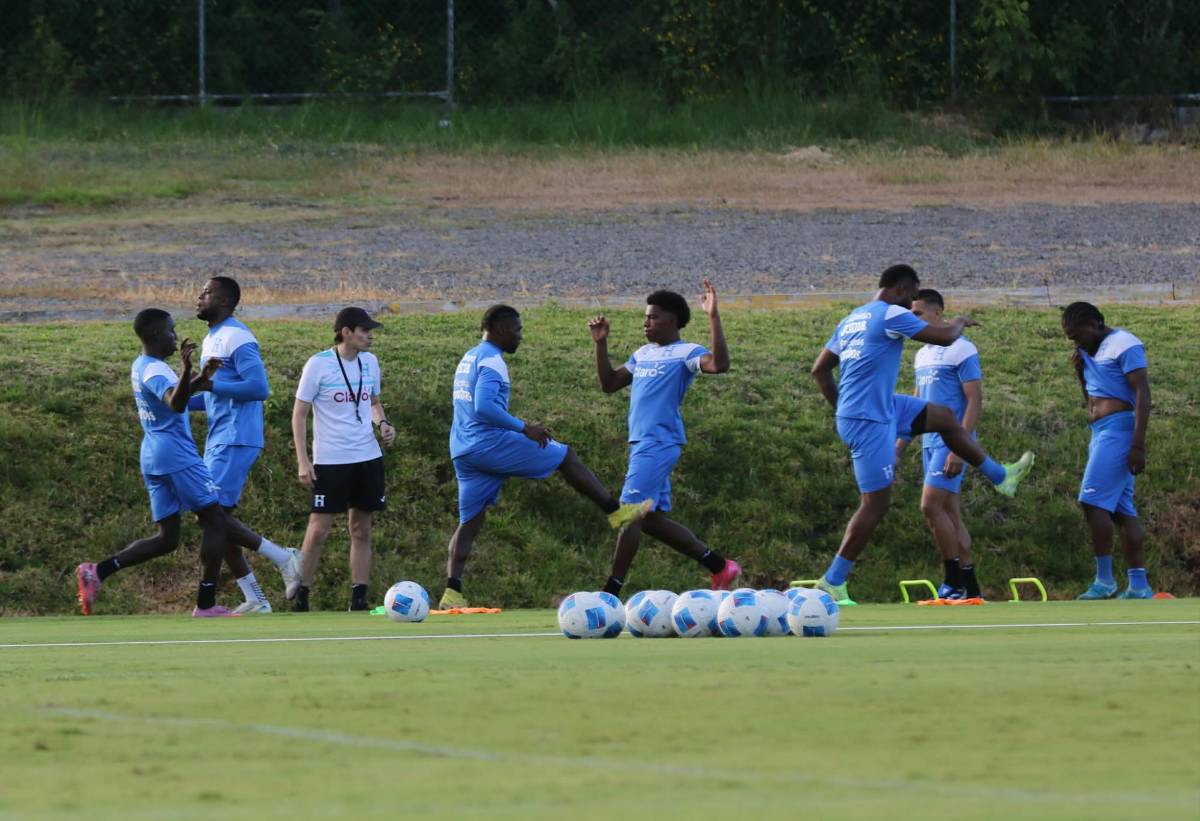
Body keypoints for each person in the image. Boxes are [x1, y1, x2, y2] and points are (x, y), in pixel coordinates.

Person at [809, 265, 1034, 606]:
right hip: (869, 420)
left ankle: (1001, 477)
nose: (912, 302)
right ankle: (833, 582)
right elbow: (944, 336)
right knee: (876, 505)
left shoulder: (852, 318)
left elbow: (820, 370)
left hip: (879, 408)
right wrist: (959, 321)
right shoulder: (889, 315)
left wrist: (843, 408)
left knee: (944, 417)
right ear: (901, 289)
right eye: (912, 295)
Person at [441, 304, 641, 610]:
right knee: (564, 455)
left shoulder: (470, 356)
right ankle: (616, 512)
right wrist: (525, 429)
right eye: (518, 330)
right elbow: (483, 407)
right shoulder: (493, 360)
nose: (520, 337)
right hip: (488, 444)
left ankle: (451, 591)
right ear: (502, 330)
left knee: (470, 522)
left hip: (463, 448)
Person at [75, 309, 236, 617]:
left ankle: (99, 571)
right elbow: (175, 403)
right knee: (215, 521)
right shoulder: (156, 371)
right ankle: (205, 604)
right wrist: (187, 367)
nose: (175, 336)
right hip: (176, 455)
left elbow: (179, 395)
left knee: (167, 539)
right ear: (154, 336)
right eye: (171, 331)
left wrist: (201, 378)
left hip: (153, 454)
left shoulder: (142, 365)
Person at [587, 279, 741, 596]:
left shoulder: (686, 352)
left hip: (659, 443)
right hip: (641, 443)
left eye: (652, 317)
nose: (646, 322)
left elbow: (720, 364)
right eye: (646, 317)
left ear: (672, 321)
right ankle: (720, 566)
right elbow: (609, 384)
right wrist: (600, 344)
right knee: (651, 520)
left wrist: (713, 316)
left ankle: (610, 592)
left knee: (629, 513)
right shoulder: (642, 354)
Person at [192, 276, 301, 614]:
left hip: (237, 436)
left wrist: (208, 389)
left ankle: (284, 558)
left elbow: (258, 387)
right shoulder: (212, 338)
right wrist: (177, 400)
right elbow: (214, 393)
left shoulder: (237, 337)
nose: (199, 296)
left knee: (210, 516)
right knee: (216, 520)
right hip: (220, 435)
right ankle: (255, 598)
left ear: (224, 301)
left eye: (207, 293)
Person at [291, 307, 396, 612]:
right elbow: (299, 415)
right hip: (331, 460)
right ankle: (301, 596)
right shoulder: (318, 364)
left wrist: (383, 424)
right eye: (365, 330)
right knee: (319, 529)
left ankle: (359, 600)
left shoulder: (370, 362)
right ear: (346, 332)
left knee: (361, 529)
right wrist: (303, 460)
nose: (370, 336)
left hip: (367, 457)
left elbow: (373, 402)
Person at [894, 288, 985, 602]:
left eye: (917, 313)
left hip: (951, 443)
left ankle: (953, 581)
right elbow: (917, 404)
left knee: (930, 506)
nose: (912, 319)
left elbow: (974, 401)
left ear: (937, 313)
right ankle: (970, 588)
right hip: (930, 443)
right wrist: (900, 445)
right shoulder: (922, 353)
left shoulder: (961, 348)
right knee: (950, 513)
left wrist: (958, 447)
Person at [1062, 302, 1153, 599]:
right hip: (1100, 432)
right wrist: (1079, 369)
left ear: (1098, 324)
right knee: (1121, 510)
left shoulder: (1124, 343)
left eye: (1078, 335)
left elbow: (1143, 393)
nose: (1077, 342)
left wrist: (1138, 444)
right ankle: (1138, 585)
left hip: (1119, 430)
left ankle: (1104, 581)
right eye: (1071, 338)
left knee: (1091, 502)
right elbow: (1090, 397)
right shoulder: (1088, 353)